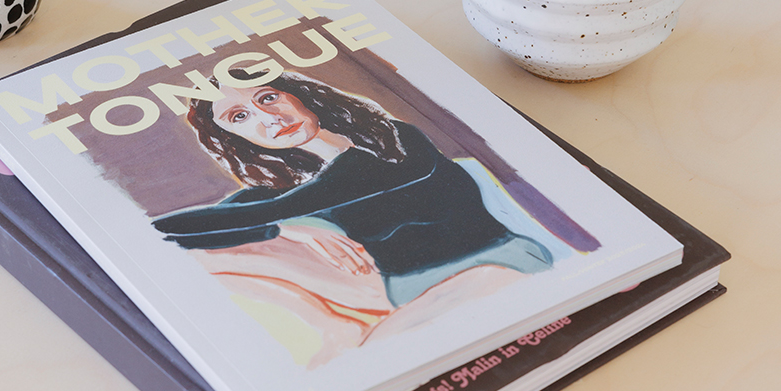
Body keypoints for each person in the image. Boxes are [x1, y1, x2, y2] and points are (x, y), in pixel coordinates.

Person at [154, 74, 556, 312]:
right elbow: (173, 231)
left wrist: (278, 217)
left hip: (500, 261)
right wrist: (285, 230)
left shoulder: (397, 143)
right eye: (240, 116)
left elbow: (300, 201)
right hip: (410, 290)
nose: (270, 118)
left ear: (297, 94)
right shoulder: (284, 188)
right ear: (234, 137)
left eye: (268, 97)